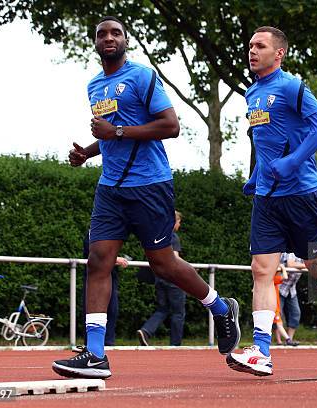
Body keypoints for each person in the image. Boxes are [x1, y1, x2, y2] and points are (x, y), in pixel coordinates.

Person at [52, 16, 240, 379]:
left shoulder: (141, 77)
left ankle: (219, 307)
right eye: (101, 34)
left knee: (163, 264)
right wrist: (89, 153)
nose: (108, 38)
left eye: (115, 33)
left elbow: (171, 126)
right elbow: (110, 137)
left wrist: (117, 130)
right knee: (97, 259)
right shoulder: (94, 86)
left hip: (150, 185)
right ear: (95, 43)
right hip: (110, 188)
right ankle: (94, 354)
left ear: (126, 41)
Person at [227, 26, 317, 377]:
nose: (252, 51)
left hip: (302, 192)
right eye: (250, 46)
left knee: (315, 265)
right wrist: (256, 175)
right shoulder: (250, 93)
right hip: (267, 197)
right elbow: (265, 140)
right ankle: (261, 351)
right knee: (261, 270)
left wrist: (293, 161)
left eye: (260, 46)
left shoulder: (291, 86)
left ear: (279, 53)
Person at [137, 211, 187, 346]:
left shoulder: (158, 235)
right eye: (179, 222)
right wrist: (189, 268)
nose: (179, 225)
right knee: (178, 312)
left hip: (159, 277)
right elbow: (174, 258)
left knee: (162, 309)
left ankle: (146, 331)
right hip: (173, 280)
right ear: (174, 222)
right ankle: (175, 345)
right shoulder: (173, 237)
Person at [81, 232, 129, 347]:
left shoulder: (111, 235)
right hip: (95, 278)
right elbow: (95, 253)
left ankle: (108, 342)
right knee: (93, 310)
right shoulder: (93, 234)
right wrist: (116, 259)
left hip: (110, 276)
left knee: (112, 310)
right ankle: (91, 344)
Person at [278, 253, 304, 344]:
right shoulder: (291, 252)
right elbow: (290, 264)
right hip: (279, 287)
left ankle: (289, 340)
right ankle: (279, 341)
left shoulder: (304, 254)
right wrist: (305, 266)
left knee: (296, 313)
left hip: (291, 289)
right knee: (277, 314)